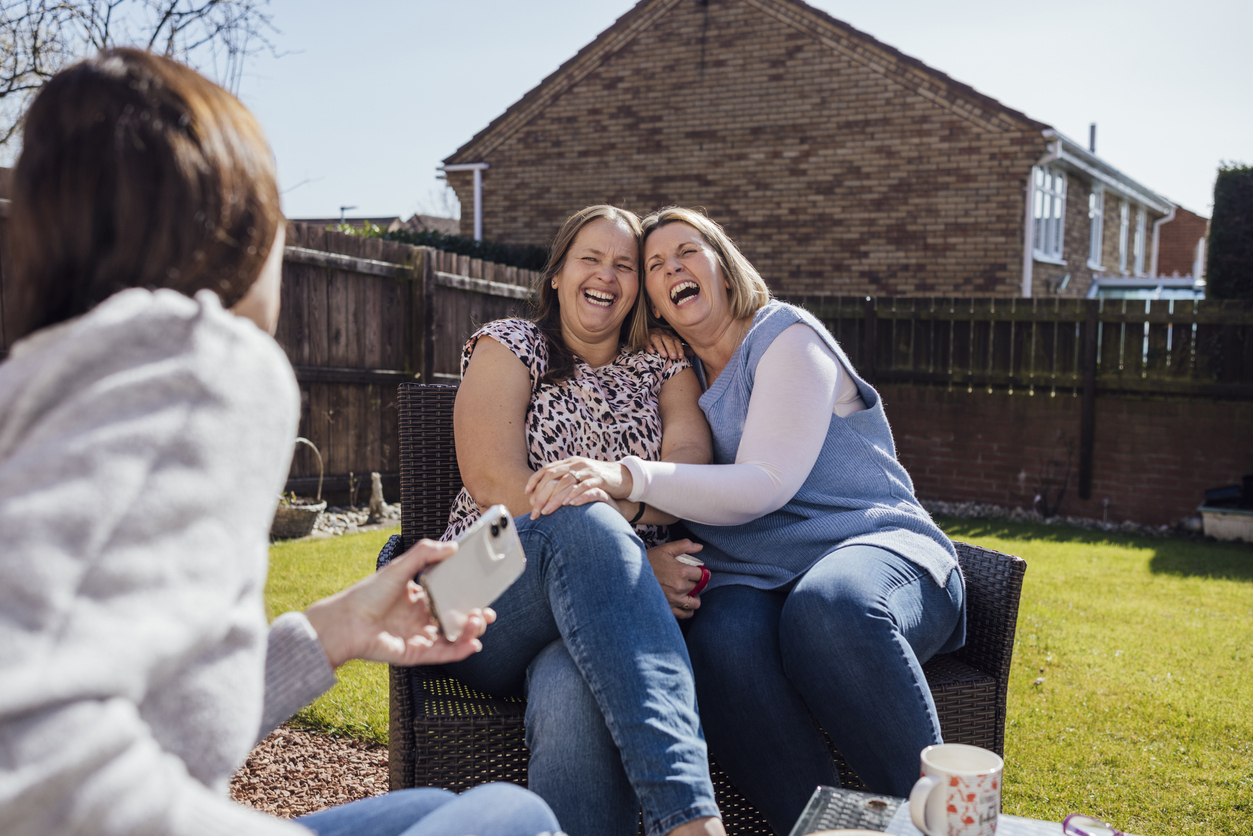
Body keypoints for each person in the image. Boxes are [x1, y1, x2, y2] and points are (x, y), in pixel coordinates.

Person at [0, 49, 560, 836]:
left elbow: (147, 715)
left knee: (440, 812)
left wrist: (337, 630)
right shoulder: (199, 360)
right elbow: (32, 765)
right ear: (235, 226)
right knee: (513, 820)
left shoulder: (39, 389)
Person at [526, 206, 967, 834]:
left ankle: (944, 826)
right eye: (653, 265)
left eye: (687, 252)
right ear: (651, 298)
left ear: (724, 268)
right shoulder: (678, 374)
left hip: (879, 552)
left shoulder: (787, 337)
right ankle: (824, 831)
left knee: (828, 607)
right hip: (760, 578)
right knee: (718, 642)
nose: (671, 267)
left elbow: (765, 482)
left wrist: (625, 476)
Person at [440, 205, 724, 836]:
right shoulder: (510, 344)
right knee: (588, 527)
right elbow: (491, 479)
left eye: (625, 265)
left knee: (571, 682)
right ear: (557, 277)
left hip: (597, 614)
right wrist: (629, 558)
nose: (607, 275)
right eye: (590, 259)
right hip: (470, 585)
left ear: (638, 291)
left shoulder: (662, 365)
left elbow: (688, 468)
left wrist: (610, 535)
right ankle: (693, 823)